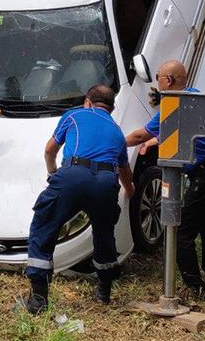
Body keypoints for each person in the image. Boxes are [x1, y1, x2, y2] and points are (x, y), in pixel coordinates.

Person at [125, 60, 205, 298]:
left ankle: (196, 288)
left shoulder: (173, 104)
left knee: (182, 232)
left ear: (169, 81)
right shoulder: (193, 95)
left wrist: (115, 141)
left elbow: (140, 133)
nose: (157, 82)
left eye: (159, 77)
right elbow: (177, 129)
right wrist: (154, 141)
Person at [25, 84, 135, 314]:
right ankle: (104, 289)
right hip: (107, 181)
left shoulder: (74, 115)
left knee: (44, 225)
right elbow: (125, 171)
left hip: (73, 174)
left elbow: (49, 150)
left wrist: (52, 174)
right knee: (104, 234)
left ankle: (38, 297)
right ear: (111, 108)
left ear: (87, 101)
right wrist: (129, 191)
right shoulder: (116, 131)